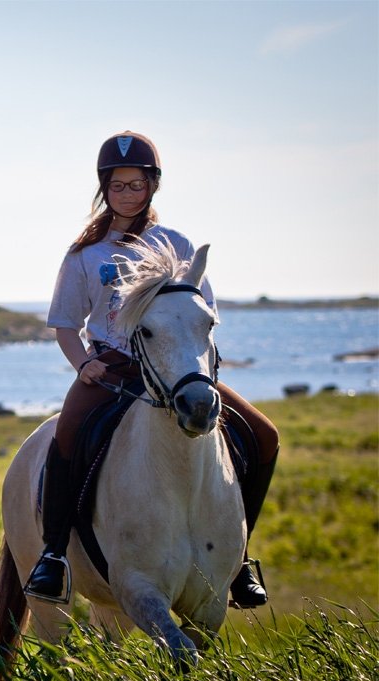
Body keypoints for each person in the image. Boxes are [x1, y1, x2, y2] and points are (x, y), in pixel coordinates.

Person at [24, 131, 279, 608]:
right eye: (117, 185)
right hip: (113, 368)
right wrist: (84, 364)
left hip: (175, 366)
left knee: (264, 436)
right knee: (67, 437)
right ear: (104, 188)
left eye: (136, 184)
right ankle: (54, 554)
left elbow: (201, 316)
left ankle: (238, 559)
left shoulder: (177, 244)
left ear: (153, 185)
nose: (127, 194)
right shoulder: (85, 254)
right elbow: (64, 325)